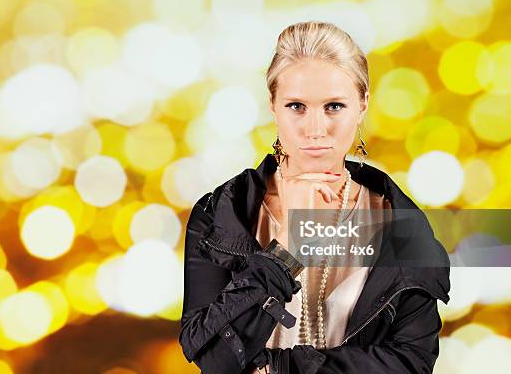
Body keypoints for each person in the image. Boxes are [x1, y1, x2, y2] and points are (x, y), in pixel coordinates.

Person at [178, 21, 451, 374]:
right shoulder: (222, 214)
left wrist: (278, 369)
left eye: (334, 106)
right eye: (297, 106)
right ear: (273, 104)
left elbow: (411, 362)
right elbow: (214, 358)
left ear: (363, 104)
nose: (316, 129)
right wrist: (284, 252)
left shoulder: (400, 223)